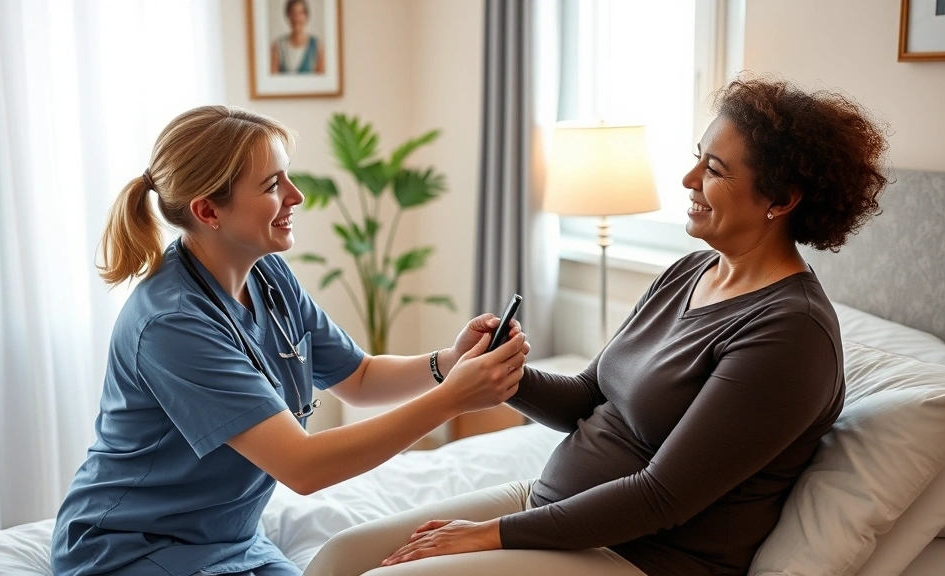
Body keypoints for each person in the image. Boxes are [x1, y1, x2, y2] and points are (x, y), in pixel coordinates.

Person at [305, 75, 891, 576]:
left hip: (641, 554)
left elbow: (664, 497)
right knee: (339, 556)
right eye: (697, 157)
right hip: (555, 507)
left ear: (782, 198)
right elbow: (589, 397)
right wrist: (500, 370)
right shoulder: (690, 270)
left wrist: (490, 535)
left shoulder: (791, 335)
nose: (688, 180)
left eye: (713, 169)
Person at [49, 105, 529, 576]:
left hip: (230, 540)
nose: (296, 196)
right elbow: (302, 467)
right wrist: (452, 399)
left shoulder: (269, 275)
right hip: (129, 549)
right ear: (207, 210)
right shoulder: (171, 324)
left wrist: (447, 361)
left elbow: (358, 378)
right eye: (273, 185)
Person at [271, 0, 325, 74]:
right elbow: (273, 78)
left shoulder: (316, 46)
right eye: (293, 13)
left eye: (300, 13)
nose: (297, 18)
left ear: (306, 16)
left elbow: (321, 79)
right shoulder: (278, 46)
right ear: (288, 16)